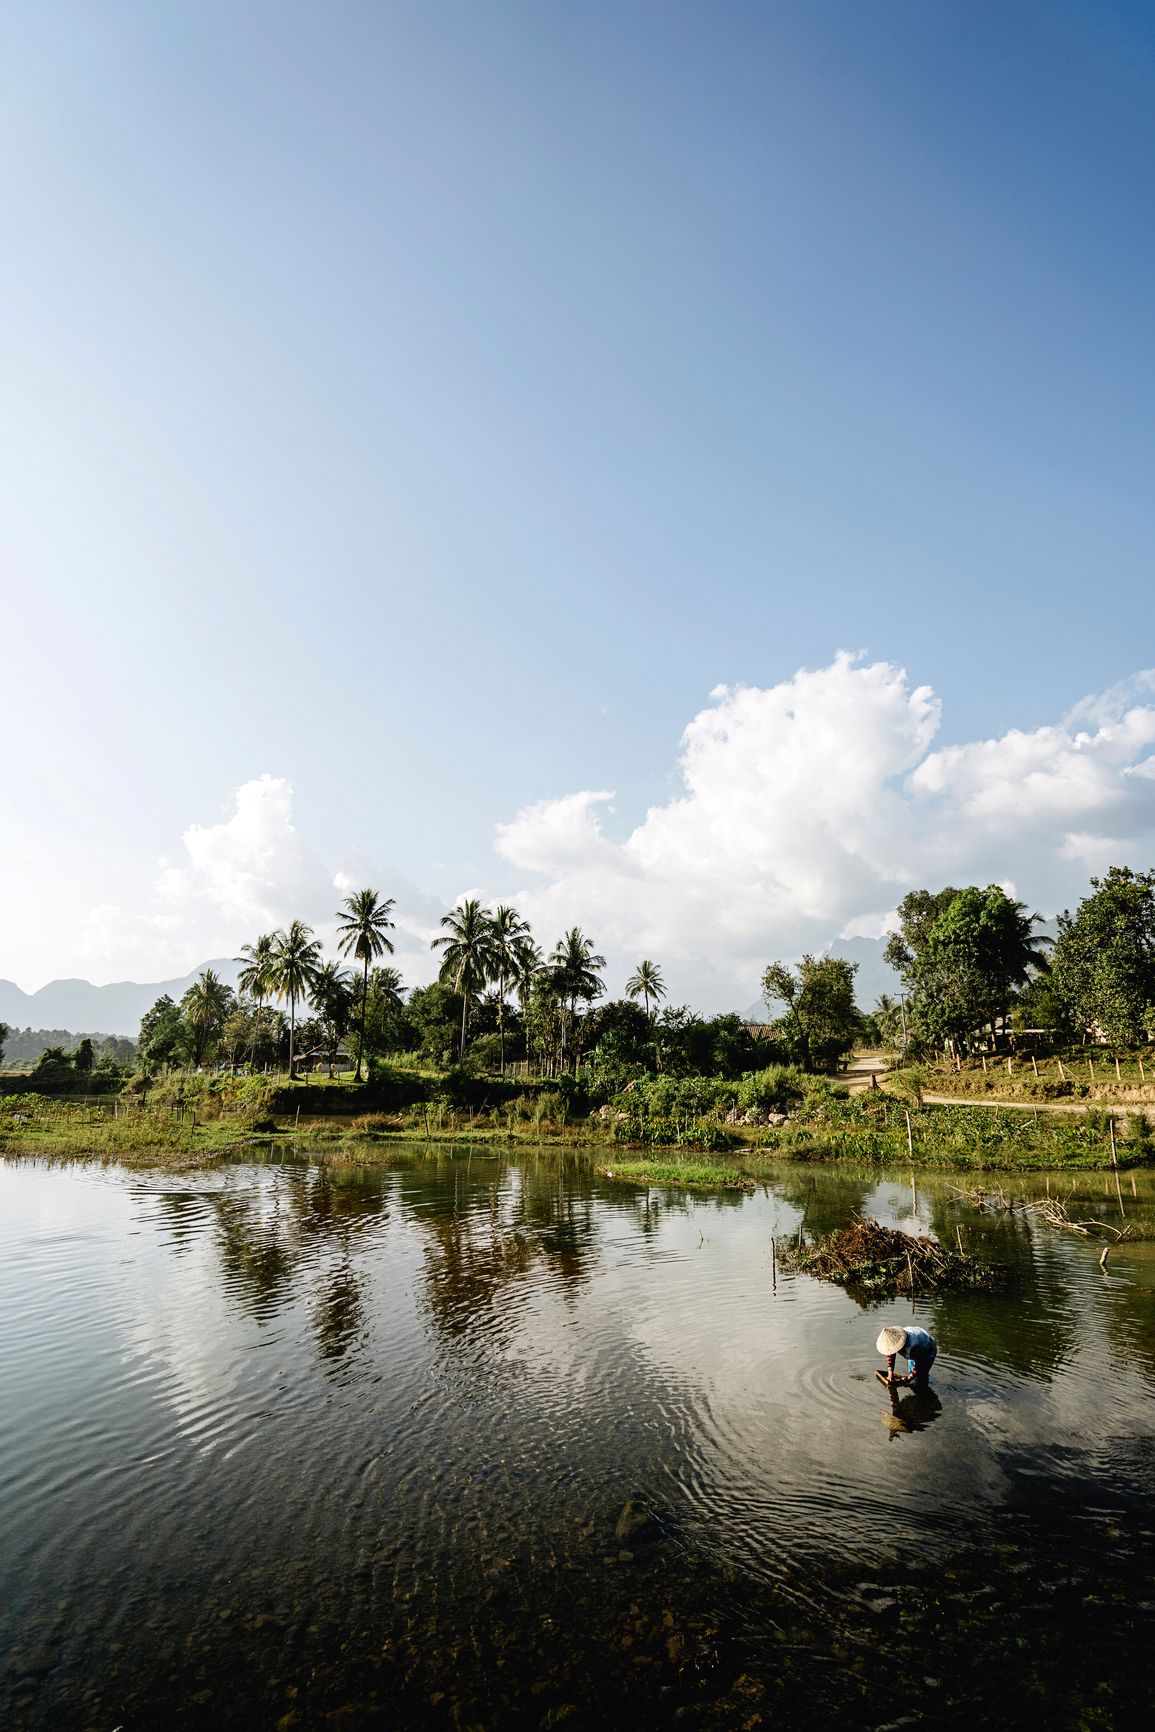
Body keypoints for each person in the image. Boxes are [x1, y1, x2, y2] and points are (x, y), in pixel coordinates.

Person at [876, 1323, 937, 1392]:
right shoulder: (894, 1337)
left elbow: (919, 1363)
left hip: (928, 1349)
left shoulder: (913, 1346)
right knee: (911, 1372)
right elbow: (891, 1353)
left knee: (921, 1376)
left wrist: (909, 1378)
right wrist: (890, 1373)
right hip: (915, 1348)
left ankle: (923, 1392)